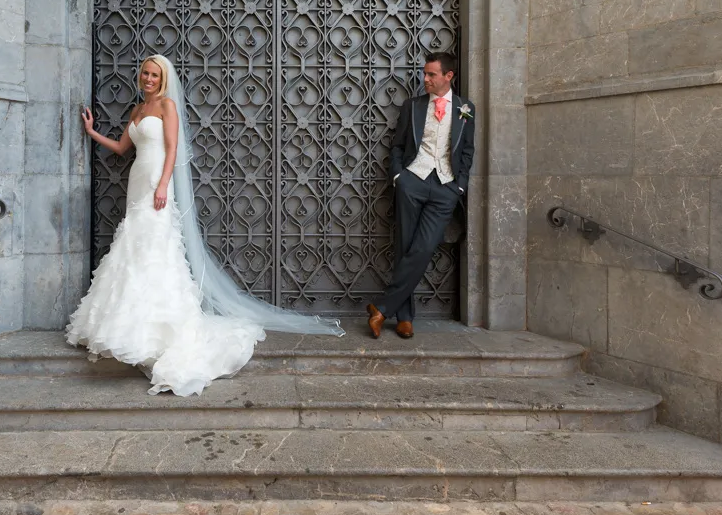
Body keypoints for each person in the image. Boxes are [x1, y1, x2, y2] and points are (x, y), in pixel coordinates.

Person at [67, 55, 342, 396]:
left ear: (163, 78)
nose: (149, 78)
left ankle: (159, 325)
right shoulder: (138, 110)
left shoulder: (167, 106)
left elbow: (172, 149)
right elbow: (124, 148)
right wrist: (92, 132)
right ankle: (128, 321)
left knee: (155, 248)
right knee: (133, 247)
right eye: (145, 73)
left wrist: (164, 184)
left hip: (156, 181)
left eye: (155, 74)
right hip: (137, 183)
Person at [367, 51, 476, 339]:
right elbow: (398, 146)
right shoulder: (412, 106)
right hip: (413, 181)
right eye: (425, 74)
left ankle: (382, 309)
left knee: (423, 248)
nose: (425, 79)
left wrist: (459, 186)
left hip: (446, 187)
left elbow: (467, 150)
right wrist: (400, 176)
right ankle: (404, 318)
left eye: (431, 74)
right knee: (405, 246)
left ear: (448, 76)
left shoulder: (466, 108)